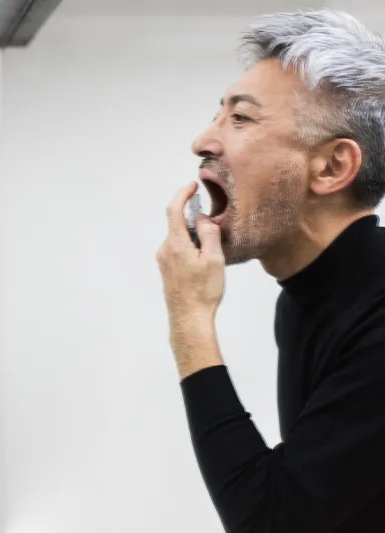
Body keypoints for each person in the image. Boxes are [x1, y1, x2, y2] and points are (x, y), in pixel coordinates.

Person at [156, 9, 385, 533]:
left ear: (331, 167)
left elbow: (273, 520)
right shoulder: (305, 296)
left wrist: (190, 316)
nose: (203, 140)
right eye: (219, 114)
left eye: (241, 118)